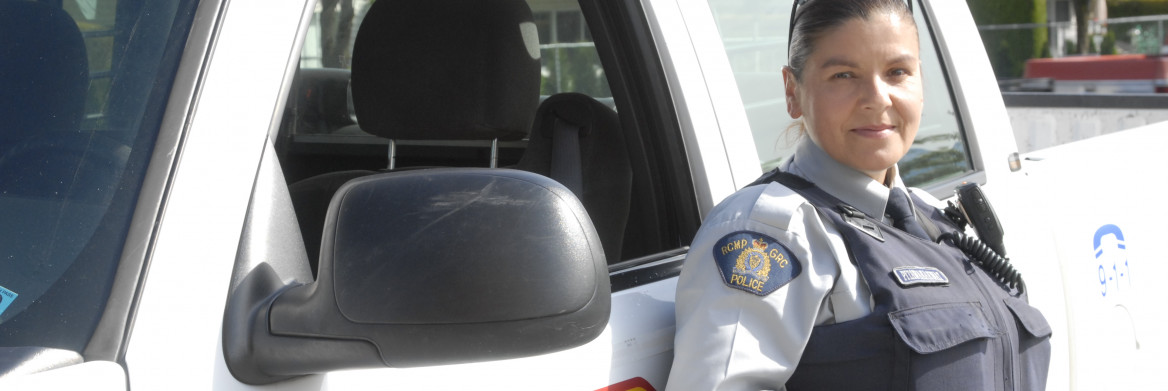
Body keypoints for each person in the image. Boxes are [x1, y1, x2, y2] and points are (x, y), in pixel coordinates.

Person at [666, 0, 1052, 390]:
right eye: (844, 75)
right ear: (792, 91)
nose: (877, 97)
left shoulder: (934, 216)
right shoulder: (775, 230)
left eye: (897, 72)